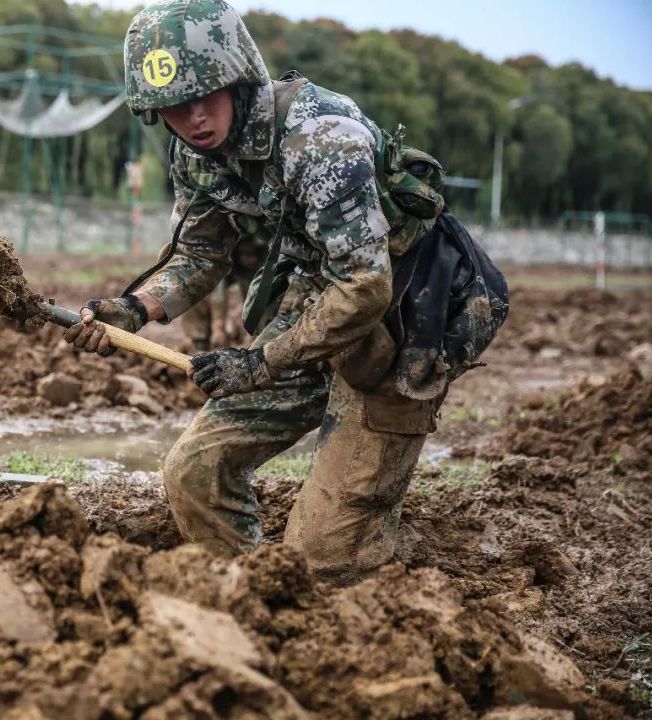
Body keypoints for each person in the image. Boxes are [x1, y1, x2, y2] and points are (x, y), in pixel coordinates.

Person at [65, 0, 508, 585]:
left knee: (327, 560)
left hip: (409, 315)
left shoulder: (320, 138)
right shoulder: (195, 154)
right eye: (174, 106)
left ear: (239, 74)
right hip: (313, 303)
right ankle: (255, 600)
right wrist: (134, 308)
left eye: (207, 93)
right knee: (196, 472)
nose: (193, 117)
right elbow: (201, 253)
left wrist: (260, 361)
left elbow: (365, 286)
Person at [179, 232, 267, 351]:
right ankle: (199, 343)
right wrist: (218, 325)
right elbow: (217, 289)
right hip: (221, 252)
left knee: (262, 305)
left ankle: (261, 346)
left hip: (259, 262)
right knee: (195, 286)